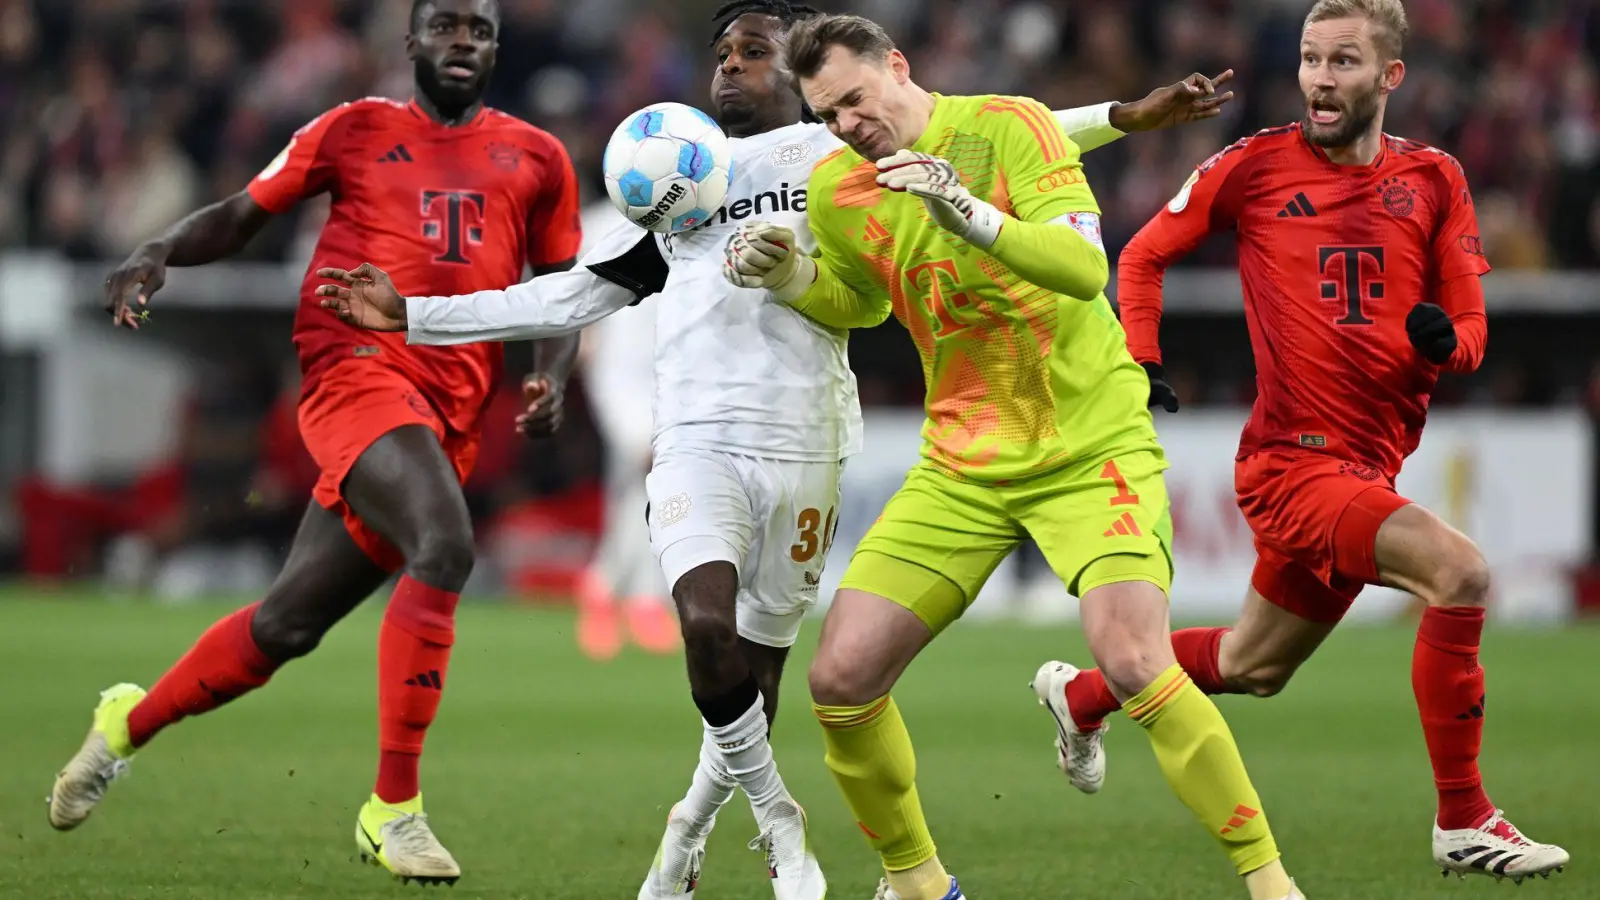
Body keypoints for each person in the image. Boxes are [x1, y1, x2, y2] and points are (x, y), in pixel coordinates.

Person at [317, 5, 1241, 897]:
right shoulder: (679, 180)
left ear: (803, 85)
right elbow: (568, 294)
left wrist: (1126, 117)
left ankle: (690, 823)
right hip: (698, 442)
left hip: (807, 443)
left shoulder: (838, 155)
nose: (728, 66)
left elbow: (1007, 133)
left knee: (757, 677)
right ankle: (776, 823)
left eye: (752, 51)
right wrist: (416, 315)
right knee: (708, 632)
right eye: (720, 52)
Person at [723, 12, 1305, 900]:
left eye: (853, 99)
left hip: (1089, 445)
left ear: (899, 67)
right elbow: (864, 306)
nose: (845, 125)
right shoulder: (838, 193)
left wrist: (964, 209)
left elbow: (1081, 267)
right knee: (840, 678)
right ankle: (918, 882)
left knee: (1135, 661)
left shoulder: (1010, 127)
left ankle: (1270, 884)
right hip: (961, 463)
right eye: (825, 114)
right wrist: (789, 277)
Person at [47, 0, 582, 886]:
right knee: (445, 545)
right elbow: (242, 212)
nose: (462, 42)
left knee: (284, 627)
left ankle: (121, 727)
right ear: (408, 41)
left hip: (452, 407)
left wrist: (553, 376)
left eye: (479, 30)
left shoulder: (538, 156)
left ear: (497, 48)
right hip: (354, 367)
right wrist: (159, 250)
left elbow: (563, 285)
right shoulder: (353, 129)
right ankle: (393, 811)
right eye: (445, 25)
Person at [1048, 0, 1570, 885]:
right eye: (1311, 60)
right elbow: (1140, 255)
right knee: (1464, 575)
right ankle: (1464, 817)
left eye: (1343, 63)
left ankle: (1079, 693)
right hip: (1294, 463)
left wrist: (1453, 344)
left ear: (1390, 77)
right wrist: (1138, 356)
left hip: (1369, 461)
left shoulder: (1436, 179)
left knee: (1254, 667)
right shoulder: (1254, 164)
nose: (1321, 82)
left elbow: (1473, 324)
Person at [572, 200, 679, 661]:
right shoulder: (594, 224)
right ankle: (635, 597)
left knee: (637, 486)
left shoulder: (684, 214)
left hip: (672, 367)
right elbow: (576, 295)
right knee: (651, 466)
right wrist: (578, 345)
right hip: (617, 372)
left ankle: (612, 589)